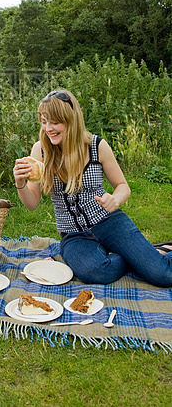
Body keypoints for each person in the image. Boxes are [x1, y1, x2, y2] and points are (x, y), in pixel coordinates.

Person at [13, 89, 172, 287]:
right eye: (44, 121)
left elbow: (123, 186)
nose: (48, 128)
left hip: (109, 221)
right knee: (96, 272)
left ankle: (153, 253)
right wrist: (20, 184)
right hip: (73, 235)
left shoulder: (97, 146)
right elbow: (31, 204)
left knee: (164, 275)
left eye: (55, 122)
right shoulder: (41, 150)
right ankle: (136, 256)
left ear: (71, 120)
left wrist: (115, 199)